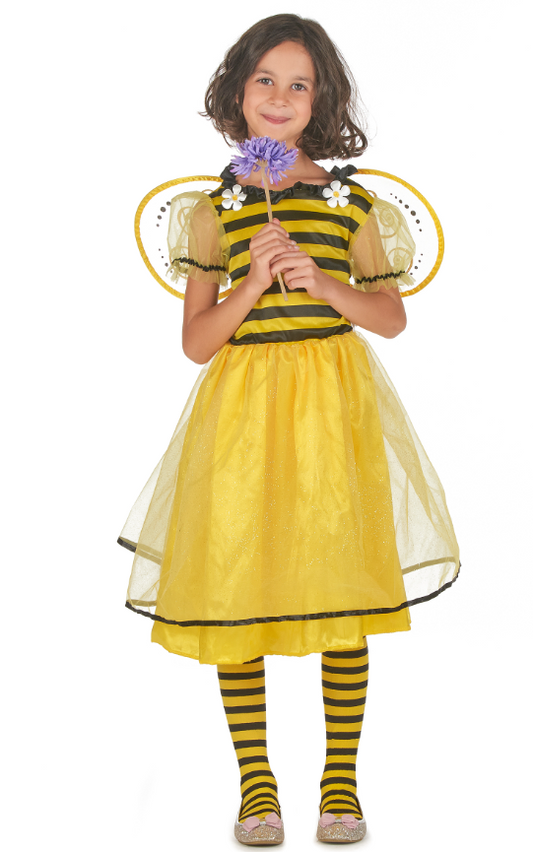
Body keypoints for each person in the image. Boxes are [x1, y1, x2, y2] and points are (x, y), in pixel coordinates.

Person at [118, 13, 460, 846]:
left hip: (332, 416)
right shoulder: (215, 210)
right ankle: (257, 786)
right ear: (237, 92)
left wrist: (321, 283)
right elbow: (197, 342)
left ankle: (339, 783)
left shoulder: (351, 203)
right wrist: (251, 283)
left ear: (321, 99)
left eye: (297, 84)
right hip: (241, 421)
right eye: (264, 80)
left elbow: (390, 318)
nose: (279, 97)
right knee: (237, 587)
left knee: (342, 589)